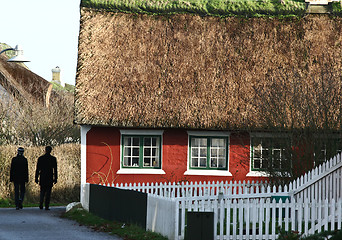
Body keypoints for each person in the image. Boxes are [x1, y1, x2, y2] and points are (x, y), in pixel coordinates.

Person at [35, 146, 58, 210]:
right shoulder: (53, 159)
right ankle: (46, 205)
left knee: (42, 191)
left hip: (42, 176)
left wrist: (36, 178)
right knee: (48, 192)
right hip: (49, 177)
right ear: (50, 151)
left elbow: (37, 169)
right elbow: (55, 169)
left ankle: (41, 204)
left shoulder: (41, 158)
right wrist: (55, 178)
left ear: (45, 150)